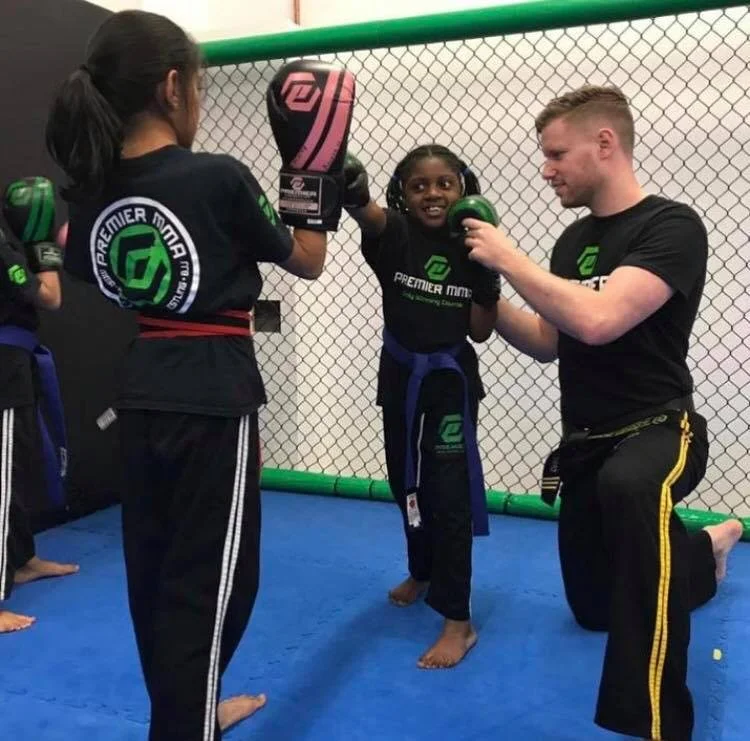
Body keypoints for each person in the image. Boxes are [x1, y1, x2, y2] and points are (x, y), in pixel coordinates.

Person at [45, 10, 351, 740]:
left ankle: (191, 708)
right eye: (201, 89)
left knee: (154, 577)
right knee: (217, 585)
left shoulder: (89, 192)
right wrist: (313, 172)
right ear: (173, 87)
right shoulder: (217, 176)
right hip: (214, 392)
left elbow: (80, 259)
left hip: (140, 391)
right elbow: (308, 259)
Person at [462, 84, 743, 740]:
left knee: (630, 488)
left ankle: (656, 722)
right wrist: (480, 295)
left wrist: (507, 255)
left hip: (659, 427)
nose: (546, 169)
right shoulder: (573, 242)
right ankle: (707, 545)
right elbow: (548, 340)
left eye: (557, 154)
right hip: (587, 438)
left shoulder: (672, 226)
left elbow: (599, 319)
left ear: (606, 143)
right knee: (595, 607)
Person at [343, 144, 499, 669]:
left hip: (449, 382)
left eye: (444, 184)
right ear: (403, 195)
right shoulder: (396, 234)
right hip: (400, 374)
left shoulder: (473, 240)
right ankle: (423, 568)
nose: (433, 194)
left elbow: (480, 330)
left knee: (448, 494)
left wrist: (488, 279)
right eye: (419, 186)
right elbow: (368, 213)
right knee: (402, 481)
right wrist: (350, 188)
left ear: (462, 188)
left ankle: (458, 620)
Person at [0, 179, 79, 635]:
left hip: (12, 360)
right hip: (2, 366)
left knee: (10, 473)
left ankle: (20, 559)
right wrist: (43, 248)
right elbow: (50, 296)